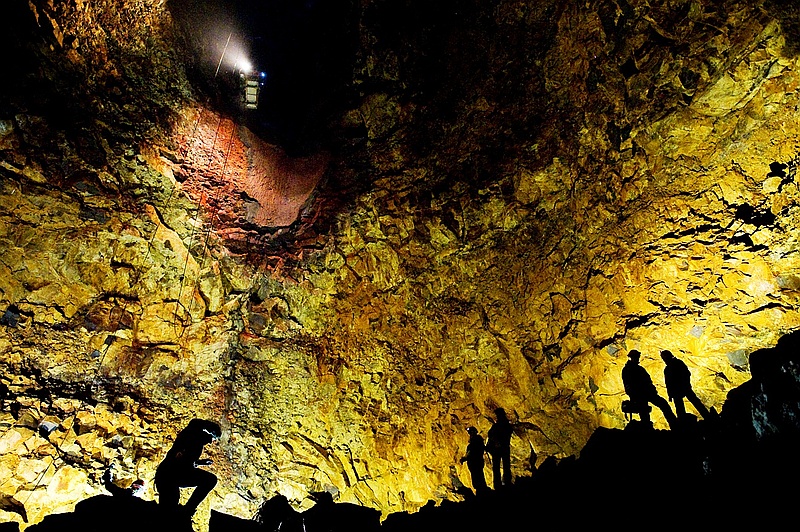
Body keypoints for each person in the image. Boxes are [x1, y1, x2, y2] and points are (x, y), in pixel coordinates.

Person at [155, 418, 221, 517]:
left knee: (169, 509)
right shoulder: (191, 437)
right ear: (207, 433)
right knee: (210, 480)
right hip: (169, 476)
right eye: (211, 438)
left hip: (171, 475)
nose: (210, 442)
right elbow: (180, 460)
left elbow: (185, 461)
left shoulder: (193, 438)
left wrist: (199, 462)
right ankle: (187, 510)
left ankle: (186, 511)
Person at [621, 350, 676, 428]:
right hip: (639, 395)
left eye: (638, 357)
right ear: (631, 357)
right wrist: (634, 395)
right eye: (636, 357)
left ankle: (674, 425)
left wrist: (652, 390)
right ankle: (648, 428)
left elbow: (648, 381)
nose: (637, 358)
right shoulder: (628, 370)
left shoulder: (639, 369)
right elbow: (628, 385)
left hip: (647, 393)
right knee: (645, 412)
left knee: (663, 404)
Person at [661, 350, 711, 420]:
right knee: (694, 403)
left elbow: (685, 375)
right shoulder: (674, 365)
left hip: (681, 389)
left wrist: (671, 393)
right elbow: (669, 383)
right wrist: (670, 394)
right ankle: (707, 417)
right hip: (682, 389)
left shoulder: (673, 366)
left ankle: (707, 417)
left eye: (664, 358)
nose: (664, 360)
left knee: (684, 406)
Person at [486, 408, 513, 489]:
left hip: (498, 448)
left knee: (497, 467)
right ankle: (506, 482)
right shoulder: (505, 425)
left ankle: (499, 484)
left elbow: (490, 434)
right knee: (505, 466)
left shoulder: (498, 426)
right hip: (503, 447)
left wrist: (496, 441)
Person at [460, 426, 489, 495]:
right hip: (478, 461)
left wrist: (464, 459)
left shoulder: (474, 444)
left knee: (476, 476)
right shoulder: (479, 442)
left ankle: (481, 491)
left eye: (470, 433)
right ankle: (482, 489)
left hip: (474, 462)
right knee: (479, 475)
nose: (470, 435)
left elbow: (471, 453)